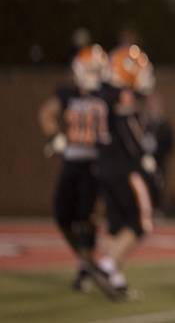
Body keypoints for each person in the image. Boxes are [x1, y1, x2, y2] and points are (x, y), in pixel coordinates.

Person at [38, 44, 111, 293]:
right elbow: (47, 114)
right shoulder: (67, 93)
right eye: (91, 69)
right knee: (62, 215)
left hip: (95, 163)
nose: (94, 75)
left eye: (97, 70)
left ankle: (84, 266)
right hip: (72, 161)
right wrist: (54, 137)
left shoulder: (107, 94)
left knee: (88, 217)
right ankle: (87, 261)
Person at [95, 44, 158, 299]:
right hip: (125, 167)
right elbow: (132, 134)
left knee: (116, 224)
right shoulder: (122, 97)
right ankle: (107, 267)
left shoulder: (101, 94)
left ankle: (116, 278)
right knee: (141, 223)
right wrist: (145, 157)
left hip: (104, 165)